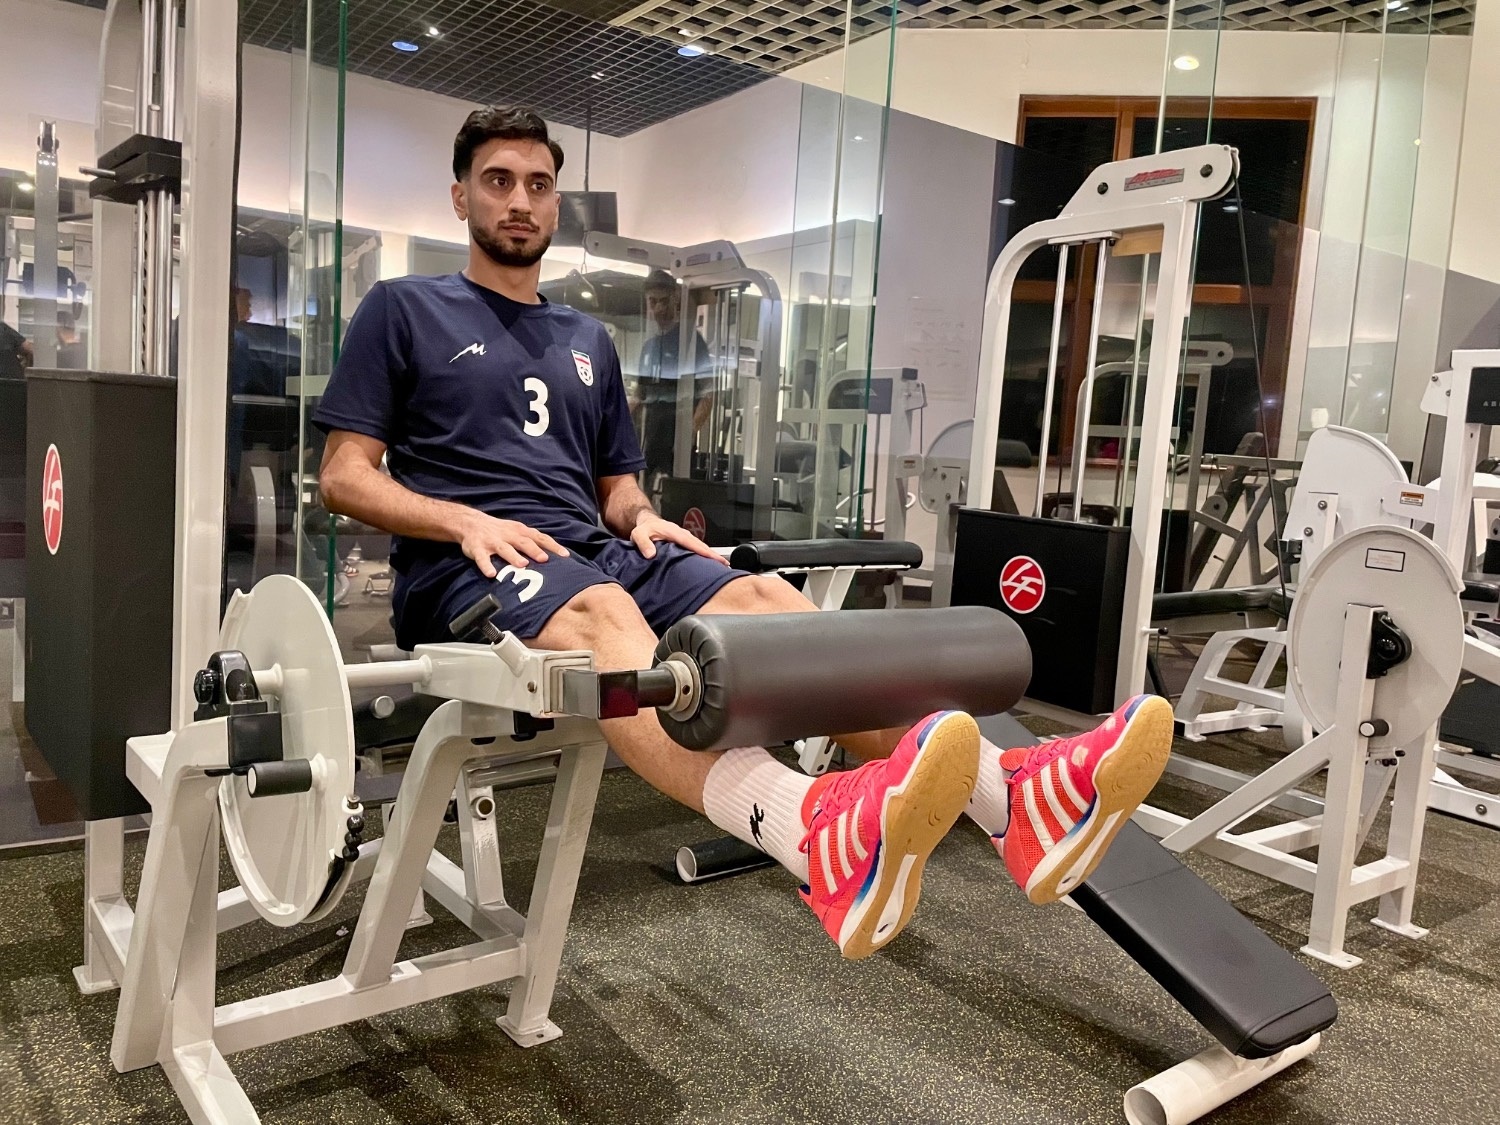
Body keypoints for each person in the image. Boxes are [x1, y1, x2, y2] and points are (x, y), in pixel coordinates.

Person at [314, 105, 1173, 960]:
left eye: (538, 184)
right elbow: (343, 475)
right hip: (466, 570)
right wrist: (461, 517)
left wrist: (643, 518)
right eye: (498, 181)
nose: (519, 201)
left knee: (765, 600)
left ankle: (1012, 801)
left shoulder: (584, 338)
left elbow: (614, 486)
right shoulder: (404, 308)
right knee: (608, 616)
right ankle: (804, 828)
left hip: (592, 551)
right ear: (460, 196)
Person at [635, 269, 713, 482]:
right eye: (653, 302)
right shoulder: (649, 346)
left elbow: (708, 394)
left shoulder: (691, 341)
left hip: (678, 426)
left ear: (675, 298)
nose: (659, 309)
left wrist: (690, 432)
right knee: (643, 489)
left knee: (675, 493)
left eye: (664, 301)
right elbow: (639, 395)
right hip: (652, 429)